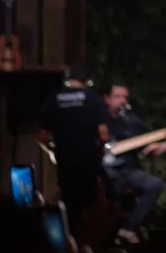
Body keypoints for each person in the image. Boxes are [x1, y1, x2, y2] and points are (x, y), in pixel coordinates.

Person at [104, 80, 166, 244]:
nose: (122, 101)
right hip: (104, 171)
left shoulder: (133, 122)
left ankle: (128, 229)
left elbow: (149, 152)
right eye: (117, 96)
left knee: (154, 184)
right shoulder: (98, 118)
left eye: (125, 97)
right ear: (107, 99)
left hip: (128, 170)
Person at [37, 64, 108, 239]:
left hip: (65, 162)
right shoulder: (94, 99)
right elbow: (103, 134)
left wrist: (53, 150)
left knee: (68, 204)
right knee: (92, 203)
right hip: (88, 162)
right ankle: (87, 242)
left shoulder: (53, 99)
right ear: (87, 81)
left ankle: (67, 240)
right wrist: (100, 151)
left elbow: (42, 136)